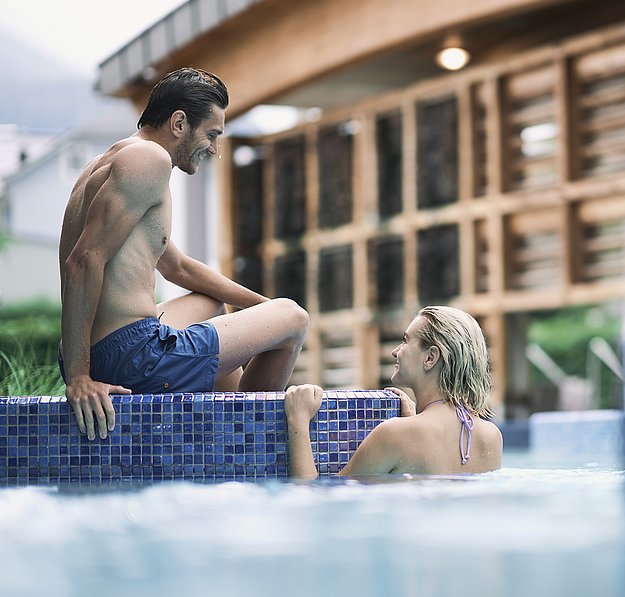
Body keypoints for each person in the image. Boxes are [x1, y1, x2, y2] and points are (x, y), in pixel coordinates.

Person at [59, 67, 309, 441]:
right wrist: (80, 378)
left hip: (106, 350)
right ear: (179, 123)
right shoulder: (150, 161)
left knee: (211, 303)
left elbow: (177, 267)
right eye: (211, 134)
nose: (214, 148)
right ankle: (245, 438)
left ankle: (215, 425)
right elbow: (83, 260)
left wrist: (260, 307)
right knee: (293, 318)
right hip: (132, 356)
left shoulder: (112, 160)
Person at [284, 306, 503, 477]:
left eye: (406, 340)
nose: (395, 351)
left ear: (430, 358)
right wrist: (415, 419)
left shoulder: (395, 434)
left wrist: (298, 421)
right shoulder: (491, 436)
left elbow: (318, 501)